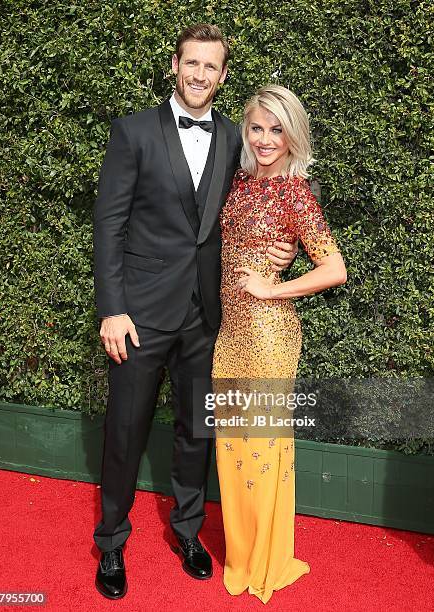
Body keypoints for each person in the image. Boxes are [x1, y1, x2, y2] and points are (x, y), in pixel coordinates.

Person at [92, 25, 297, 599]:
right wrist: (112, 309)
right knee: (124, 432)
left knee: (195, 432)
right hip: (139, 316)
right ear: (175, 66)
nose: (200, 75)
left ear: (223, 75)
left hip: (208, 317)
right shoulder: (133, 131)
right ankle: (110, 541)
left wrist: (284, 247)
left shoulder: (237, 137)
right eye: (191, 64)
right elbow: (108, 225)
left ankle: (187, 531)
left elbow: (273, 192)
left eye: (211, 67)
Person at [212, 84, 347, 603]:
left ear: (293, 136)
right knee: (232, 450)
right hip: (231, 334)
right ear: (245, 131)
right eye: (257, 127)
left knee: (263, 451)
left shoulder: (295, 193)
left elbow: (334, 268)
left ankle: (266, 560)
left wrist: (274, 286)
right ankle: (242, 554)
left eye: (277, 129)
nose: (266, 139)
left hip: (270, 336)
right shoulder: (241, 184)